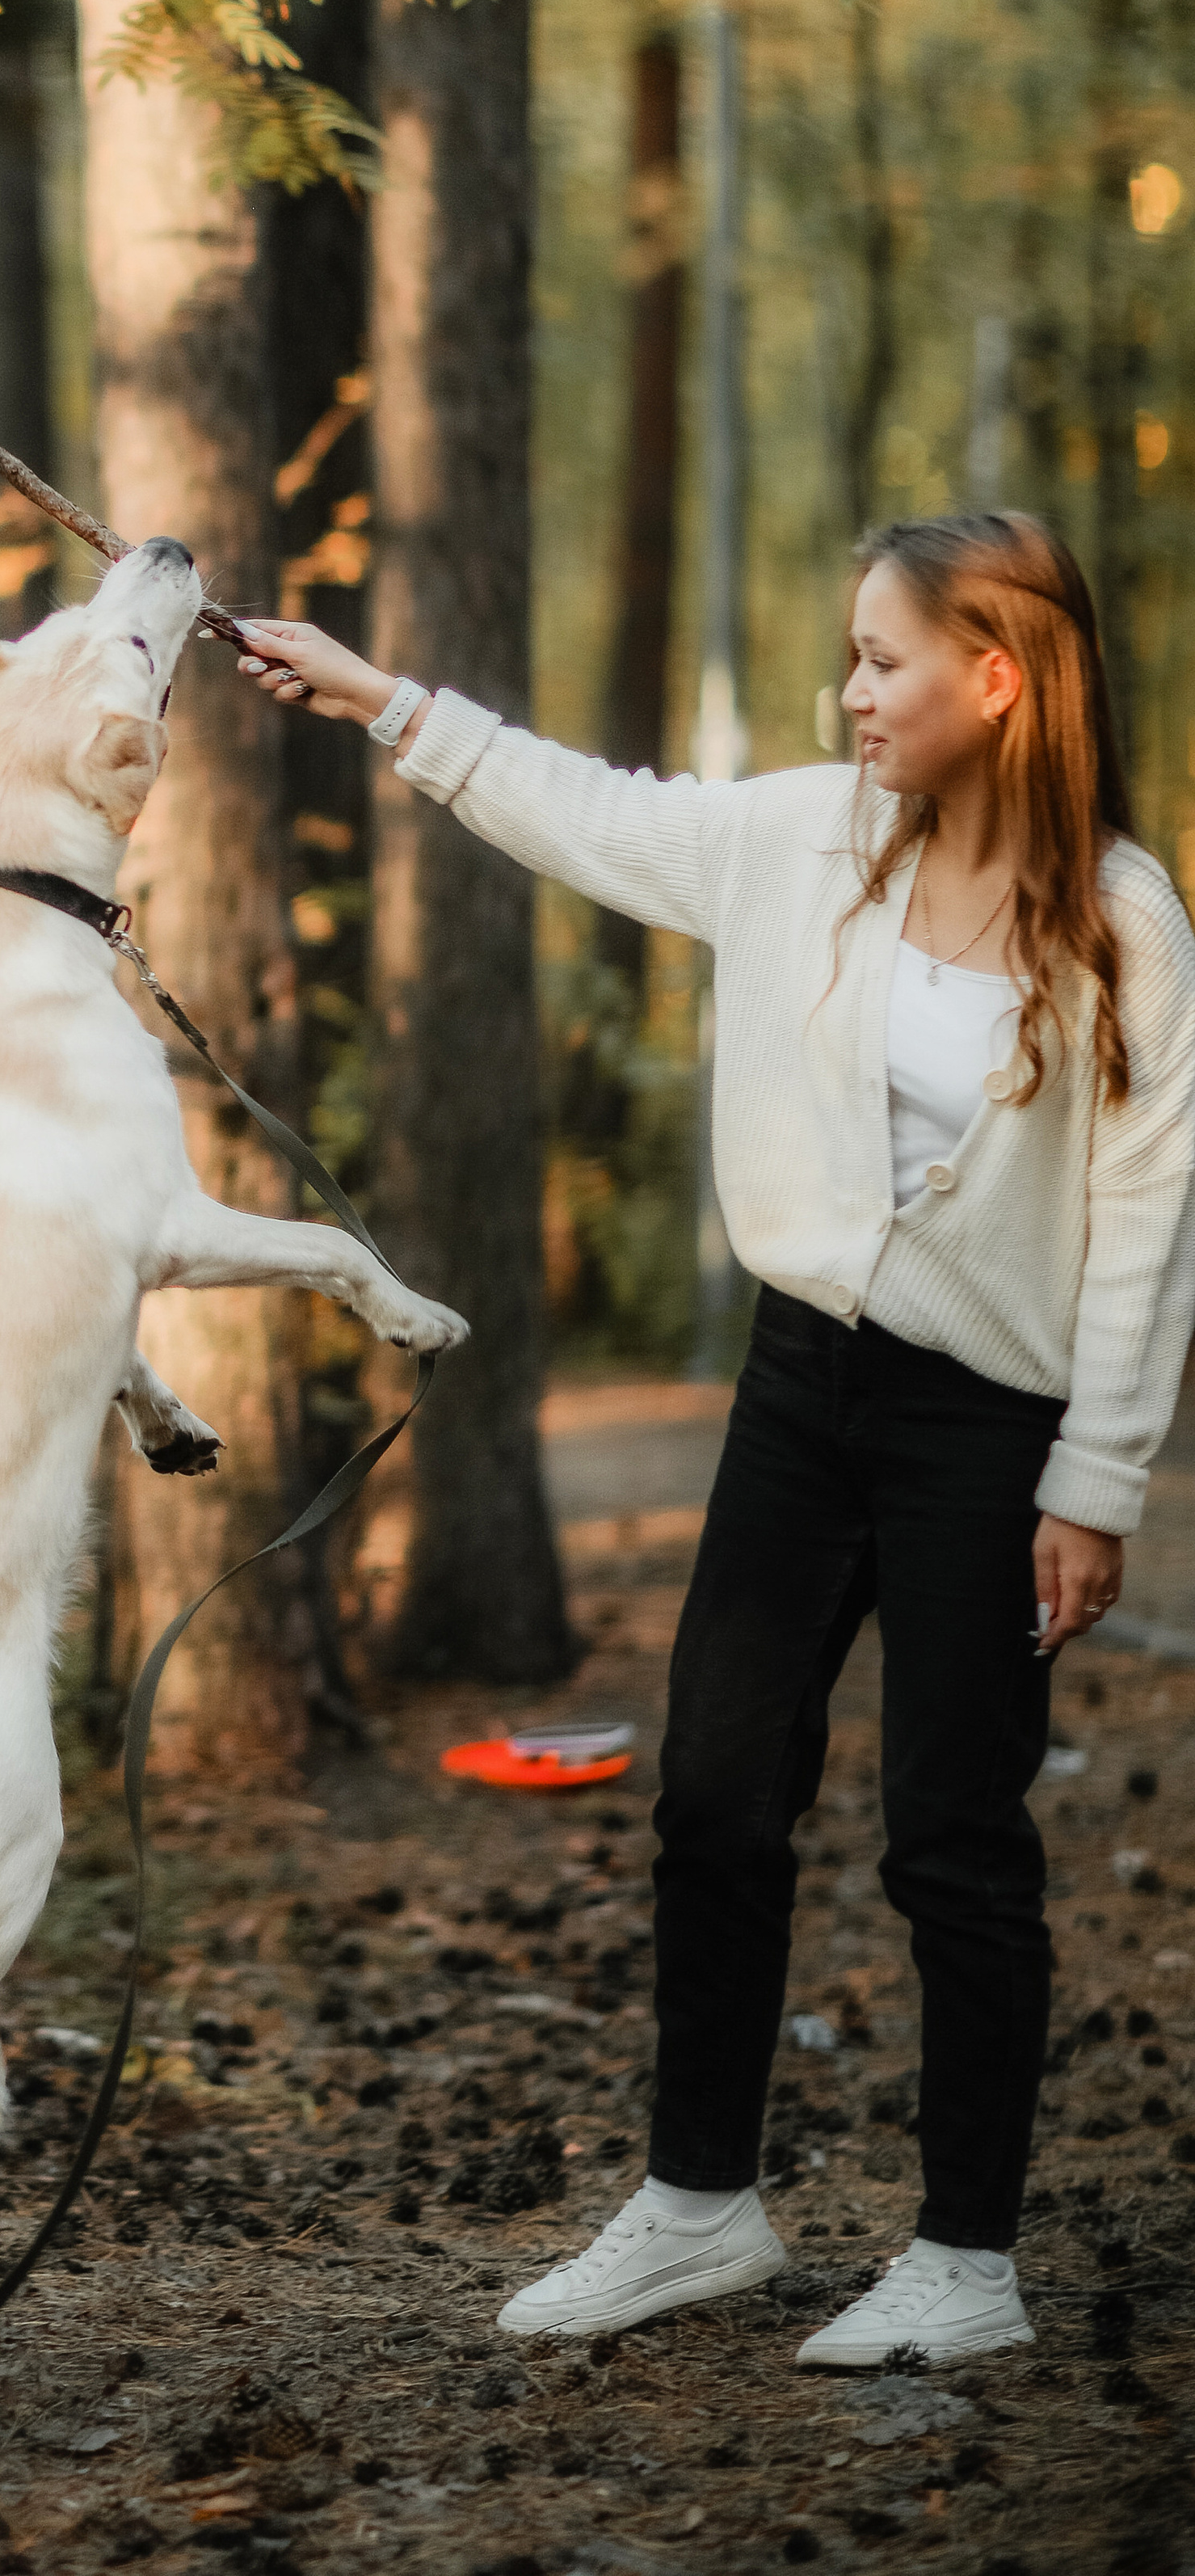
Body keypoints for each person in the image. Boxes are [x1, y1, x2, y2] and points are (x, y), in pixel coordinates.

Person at [233, 508, 1195, 2368]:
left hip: (983, 1432)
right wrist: (378, 703)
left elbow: (1148, 1219)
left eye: (877, 660)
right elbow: (589, 810)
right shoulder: (799, 844)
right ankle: (696, 2209)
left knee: (951, 1835)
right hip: (792, 1394)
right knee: (711, 1796)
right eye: (846, 656)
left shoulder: (1124, 919)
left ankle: (964, 2258)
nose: (845, 692)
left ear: (991, 679)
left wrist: (1094, 1483)